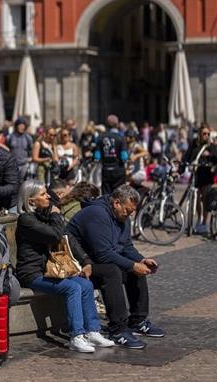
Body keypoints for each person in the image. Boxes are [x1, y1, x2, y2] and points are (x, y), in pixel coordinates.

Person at [14, 180, 114, 353]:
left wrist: (85, 260)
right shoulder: (26, 220)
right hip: (32, 273)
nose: (48, 197)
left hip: (50, 271)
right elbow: (55, 235)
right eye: (43, 195)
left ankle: (92, 331)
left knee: (86, 284)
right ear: (31, 201)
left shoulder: (43, 215)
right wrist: (55, 215)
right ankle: (76, 337)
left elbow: (68, 238)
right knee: (72, 287)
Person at [66, 185, 164, 349]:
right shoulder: (97, 214)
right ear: (116, 203)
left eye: (132, 211)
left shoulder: (121, 217)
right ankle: (118, 330)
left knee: (134, 270)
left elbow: (126, 246)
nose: (130, 214)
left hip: (94, 261)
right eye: (127, 210)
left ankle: (138, 321)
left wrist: (142, 260)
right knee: (112, 272)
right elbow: (103, 254)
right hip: (77, 264)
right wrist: (133, 265)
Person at [184, 125, 217, 235]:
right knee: (196, 198)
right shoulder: (194, 144)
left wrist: (209, 155)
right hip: (196, 174)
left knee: (205, 198)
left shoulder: (210, 145)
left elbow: (216, 159)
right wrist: (180, 169)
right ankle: (199, 218)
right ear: (199, 134)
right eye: (204, 134)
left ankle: (204, 222)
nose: (206, 136)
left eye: (208, 134)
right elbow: (187, 157)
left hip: (206, 174)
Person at [95, 114, 129, 196]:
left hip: (106, 169)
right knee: (119, 194)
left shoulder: (100, 137)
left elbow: (97, 156)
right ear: (117, 125)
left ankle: (107, 208)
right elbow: (124, 156)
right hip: (118, 169)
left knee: (106, 194)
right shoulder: (121, 138)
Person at [7, 118, 34, 183]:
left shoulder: (28, 137)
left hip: (24, 164)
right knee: (13, 181)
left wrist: (30, 158)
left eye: (23, 125)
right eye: (20, 125)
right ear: (16, 126)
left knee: (23, 182)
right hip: (13, 164)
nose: (21, 127)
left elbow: (32, 149)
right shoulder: (10, 137)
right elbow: (7, 148)